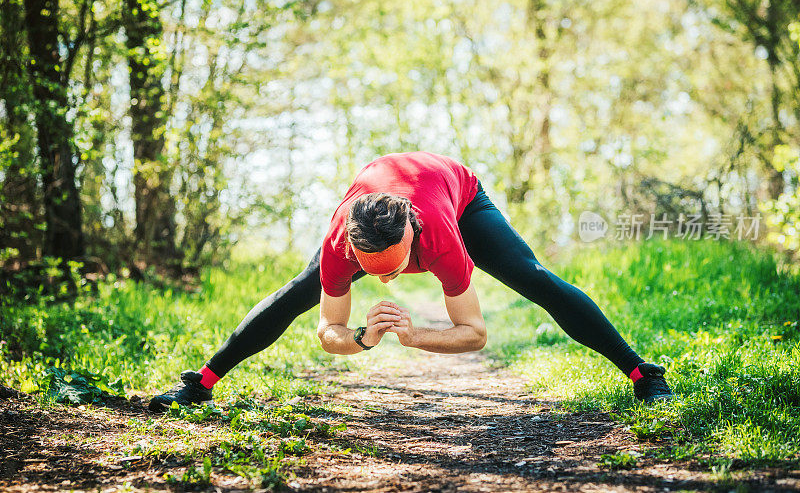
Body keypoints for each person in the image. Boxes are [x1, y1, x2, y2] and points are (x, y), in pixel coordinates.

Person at [149, 152, 672, 410]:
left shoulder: (443, 236)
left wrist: (414, 337)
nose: (389, 281)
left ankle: (640, 372)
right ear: (352, 248)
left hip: (457, 193)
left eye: (397, 269)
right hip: (378, 200)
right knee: (297, 293)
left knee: (534, 279)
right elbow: (328, 331)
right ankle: (202, 382)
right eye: (373, 273)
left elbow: (474, 332)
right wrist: (361, 338)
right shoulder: (339, 246)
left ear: (414, 236)